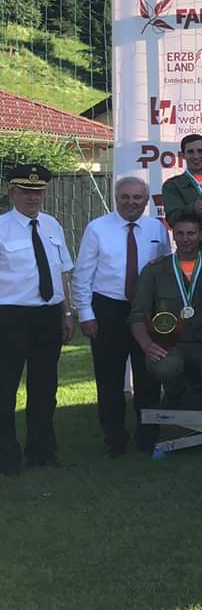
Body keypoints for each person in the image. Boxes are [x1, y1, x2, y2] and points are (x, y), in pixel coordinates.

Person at [73, 176, 171, 456]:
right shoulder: (97, 228)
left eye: (137, 197)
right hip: (108, 308)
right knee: (109, 378)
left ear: (146, 200)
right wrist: (85, 314)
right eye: (125, 197)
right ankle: (114, 439)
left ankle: (148, 437)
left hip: (146, 311)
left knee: (149, 376)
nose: (131, 202)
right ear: (116, 198)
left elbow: (165, 270)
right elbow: (83, 274)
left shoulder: (156, 228)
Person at [0, 163, 75, 475]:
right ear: (12, 193)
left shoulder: (52, 225)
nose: (33, 197)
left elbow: (61, 272)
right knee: (5, 387)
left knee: (45, 386)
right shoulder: (1, 227)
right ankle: (6, 457)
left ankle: (42, 451)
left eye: (38, 191)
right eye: (26, 191)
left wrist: (66, 312)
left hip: (48, 315)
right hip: (11, 316)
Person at [129, 213, 202, 409]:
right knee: (166, 368)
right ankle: (174, 395)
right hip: (170, 345)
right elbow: (137, 315)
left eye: (191, 233)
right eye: (180, 234)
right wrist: (147, 344)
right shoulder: (155, 271)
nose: (185, 239)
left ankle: (195, 394)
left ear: (201, 235)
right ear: (173, 235)